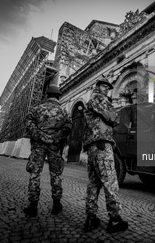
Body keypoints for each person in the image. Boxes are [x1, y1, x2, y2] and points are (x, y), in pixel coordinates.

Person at [83, 78, 128, 233]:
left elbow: (111, 117)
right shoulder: (98, 99)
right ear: (98, 87)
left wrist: (111, 115)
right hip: (102, 144)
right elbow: (113, 118)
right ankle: (115, 219)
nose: (106, 89)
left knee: (94, 183)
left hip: (92, 146)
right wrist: (113, 114)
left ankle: (91, 218)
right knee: (110, 182)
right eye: (104, 86)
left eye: (108, 87)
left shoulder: (94, 100)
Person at [23, 86, 72, 217]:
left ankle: (33, 206)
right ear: (58, 97)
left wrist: (39, 135)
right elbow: (68, 127)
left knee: (35, 174)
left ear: (47, 95)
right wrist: (55, 138)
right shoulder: (63, 111)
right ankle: (56, 204)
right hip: (55, 147)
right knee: (56, 174)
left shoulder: (37, 109)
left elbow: (28, 122)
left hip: (38, 145)